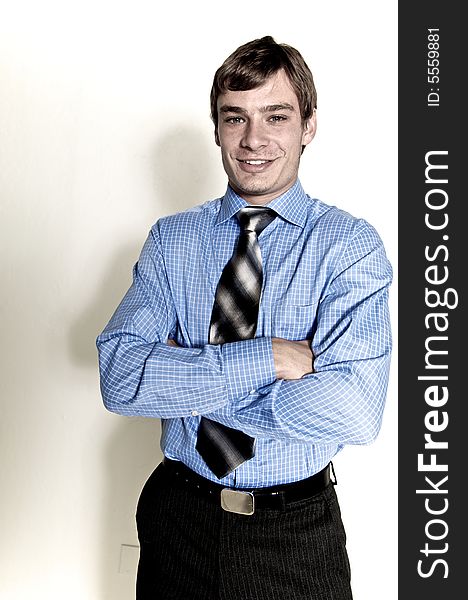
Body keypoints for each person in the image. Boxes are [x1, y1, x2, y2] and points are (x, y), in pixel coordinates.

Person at [96, 35, 393, 600]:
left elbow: (356, 410)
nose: (253, 140)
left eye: (275, 116)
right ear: (217, 127)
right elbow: (120, 379)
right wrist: (270, 358)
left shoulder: (349, 248)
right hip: (177, 518)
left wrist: (182, 379)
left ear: (307, 125)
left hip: (295, 535)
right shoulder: (171, 241)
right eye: (235, 118)